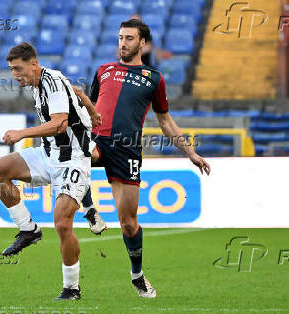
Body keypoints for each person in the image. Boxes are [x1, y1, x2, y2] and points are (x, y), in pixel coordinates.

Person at [76, 19, 211, 298]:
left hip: (127, 150)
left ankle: (137, 275)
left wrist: (191, 153)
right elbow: (88, 109)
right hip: (98, 140)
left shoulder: (154, 78)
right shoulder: (104, 70)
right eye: (120, 38)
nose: (122, 43)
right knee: (72, 153)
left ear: (143, 43)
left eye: (128, 39)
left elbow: (166, 122)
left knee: (128, 222)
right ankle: (89, 209)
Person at [0, 42, 101, 300]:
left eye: (18, 69)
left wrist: (21, 133)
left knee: (61, 223)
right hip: (48, 154)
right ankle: (28, 230)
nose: (14, 75)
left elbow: (60, 124)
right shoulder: (41, 84)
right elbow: (77, 91)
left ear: (34, 64)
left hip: (73, 159)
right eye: (11, 70)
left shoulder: (51, 80)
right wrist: (92, 111)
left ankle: (71, 288)